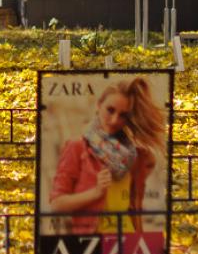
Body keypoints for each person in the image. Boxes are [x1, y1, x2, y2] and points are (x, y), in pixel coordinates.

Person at [50, 77, 167, 236]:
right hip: (91, 243)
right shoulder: (77, 148)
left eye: (123, 115)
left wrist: (141, 242)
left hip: (128, 242)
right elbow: (57, 204)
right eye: (110, 110)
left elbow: (135, 209)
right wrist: (95, 192)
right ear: (99, 105)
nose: (114, 120)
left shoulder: (136, 156)